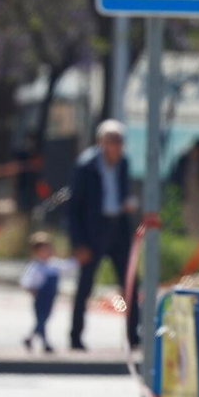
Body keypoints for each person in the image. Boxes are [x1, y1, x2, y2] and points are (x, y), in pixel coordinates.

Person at [67, 120, 140, 352]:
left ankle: (132, 336)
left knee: (129, 284)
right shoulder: (86, 166)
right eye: (113, 141)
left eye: (120, 141)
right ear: (102, 142)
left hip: (117, 228)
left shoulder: (124, 163)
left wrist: (126, 205)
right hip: (92, 231)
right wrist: (78, 242)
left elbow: (121, 192)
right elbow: (74, 208)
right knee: (85, 285)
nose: (117, 147)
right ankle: (75, 336)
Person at [19, 231, 60, 354]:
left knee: (43, 320)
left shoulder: (53, 265)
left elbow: (68, 266)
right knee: (41, 320)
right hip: (40, 298)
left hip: (50, 298)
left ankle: (29, 339)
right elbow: (26, 281)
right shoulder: (35, 266)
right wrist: (32, 290)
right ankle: (46, 343)